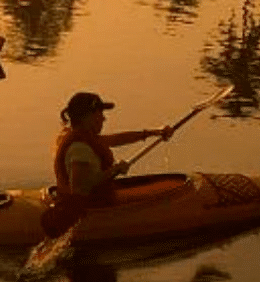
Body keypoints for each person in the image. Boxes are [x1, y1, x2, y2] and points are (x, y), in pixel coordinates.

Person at [42, 91, 172, 236]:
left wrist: (153, 133)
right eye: (100, 114)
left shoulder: (82, 136)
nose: (104, 119)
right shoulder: (79, 148)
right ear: (88, 117)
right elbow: (79, 188)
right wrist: (114, 170)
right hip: (90, 207)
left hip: (91, 201)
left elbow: (116, 139)